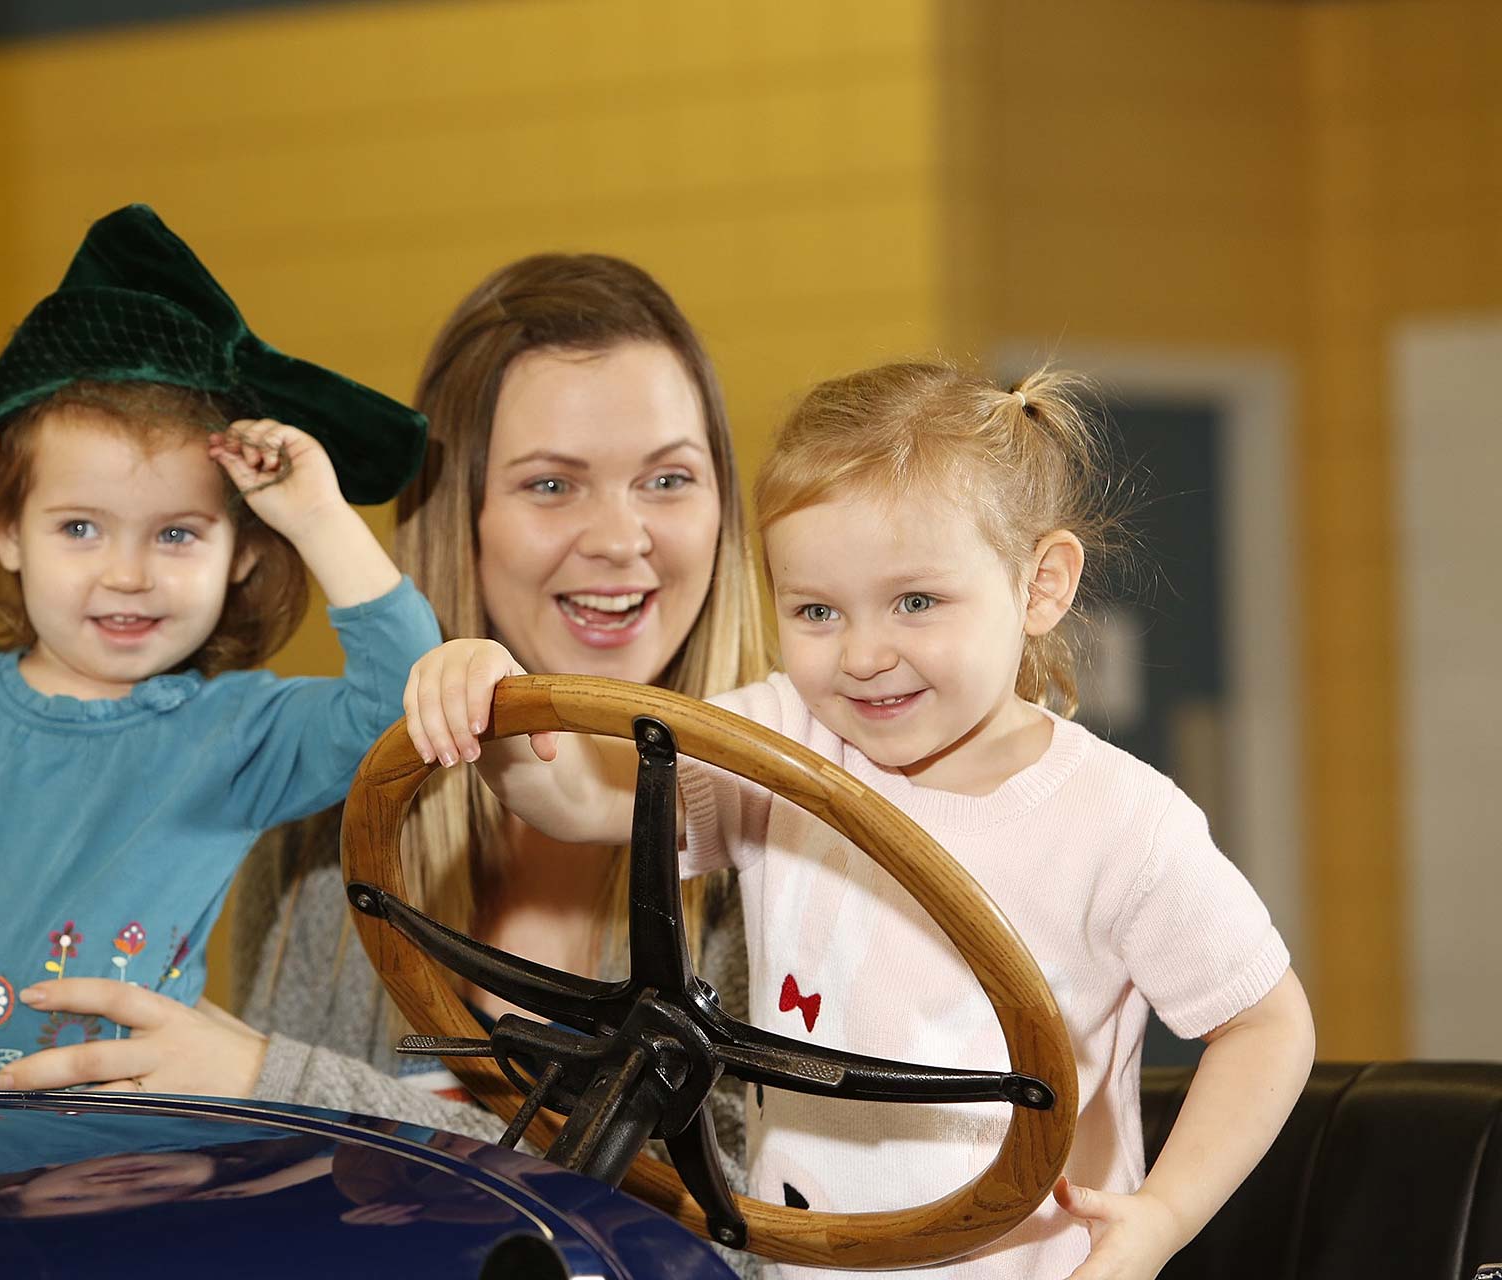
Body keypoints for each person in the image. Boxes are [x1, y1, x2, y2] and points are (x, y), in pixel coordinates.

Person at [404, 360, 1317, 1279]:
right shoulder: (783, 743)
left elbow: (1266, 1028)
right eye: (816, 611)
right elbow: (587, 800)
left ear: (1042, 586)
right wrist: (497, 712)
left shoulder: (1121, 824)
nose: (865, 655)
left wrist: (1160, 1216)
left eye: (916, 602)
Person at [0, 254, 770, 1159]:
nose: (623, 538)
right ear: (455, 517)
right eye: (551, 484)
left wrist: (274, 1084)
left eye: (667, 479)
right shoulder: (331, 824)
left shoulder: (784, 827)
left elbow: (744, 1232)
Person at [0, 204, 440, 1089]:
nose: (127, 574)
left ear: (243, 556)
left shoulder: (238, 734)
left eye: (178, 535)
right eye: (80, 526)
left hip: (138, 1163)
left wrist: (318, 518)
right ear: (4, 533)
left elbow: (406, 704)